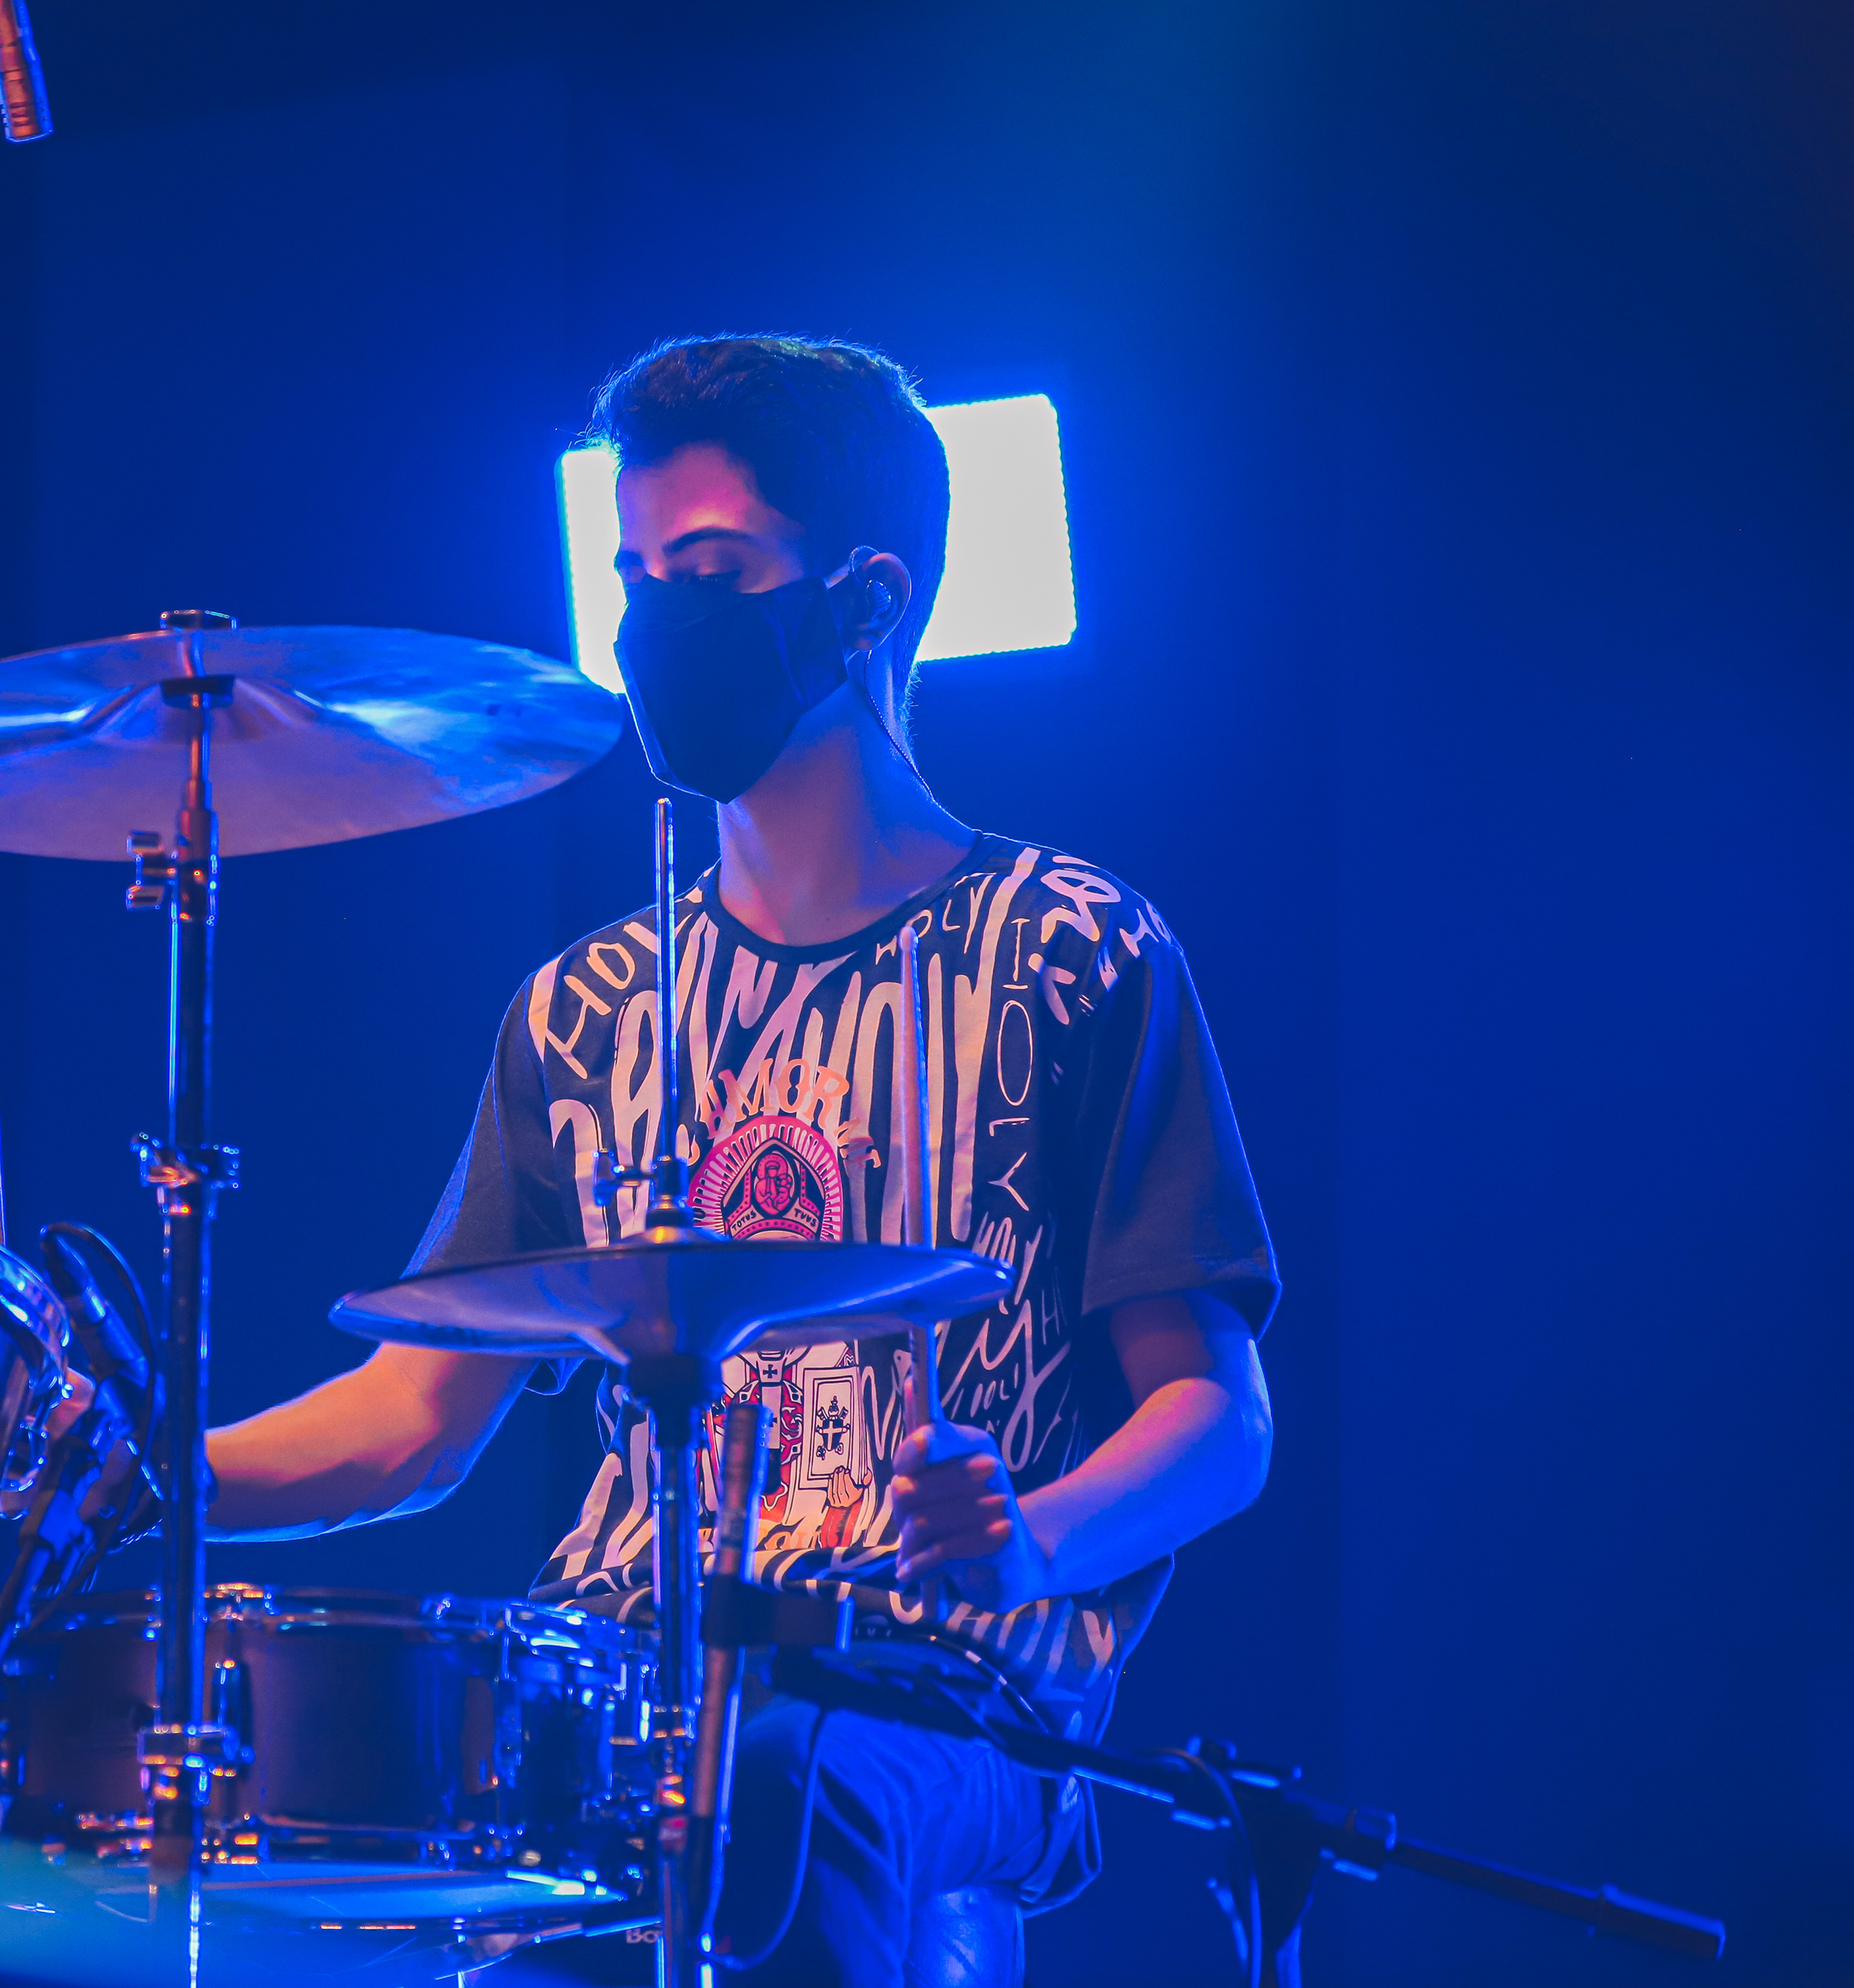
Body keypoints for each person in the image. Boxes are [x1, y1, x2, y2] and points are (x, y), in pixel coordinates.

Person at [203, 335, 1280, 1984]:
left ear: (868, 599)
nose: (656, 627)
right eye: (635, 582)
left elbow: (1220, 1419)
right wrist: (130, 1476)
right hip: (621, 1673)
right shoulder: (583, 1011)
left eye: (709, 577)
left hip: (938, 1683)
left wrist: (1035, 1537)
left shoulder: (1071, 949)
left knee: (773, 1781)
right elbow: (411, 1422)